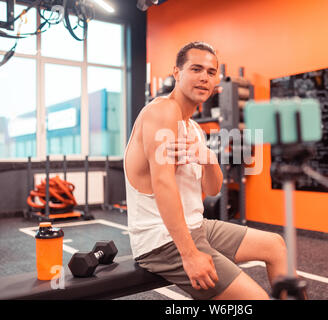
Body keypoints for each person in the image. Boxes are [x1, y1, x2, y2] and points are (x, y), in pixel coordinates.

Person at [123, 41, 287, 300]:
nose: (204, 78)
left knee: (275, 245)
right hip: (161, 240)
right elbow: (163, 184)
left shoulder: (194, 129)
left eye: (211, 72)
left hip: (196, 226)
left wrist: (208, 158)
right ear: (177, 73)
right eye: (196, 69)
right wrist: (190, 254)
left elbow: (212, 189)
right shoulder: (163, 111)